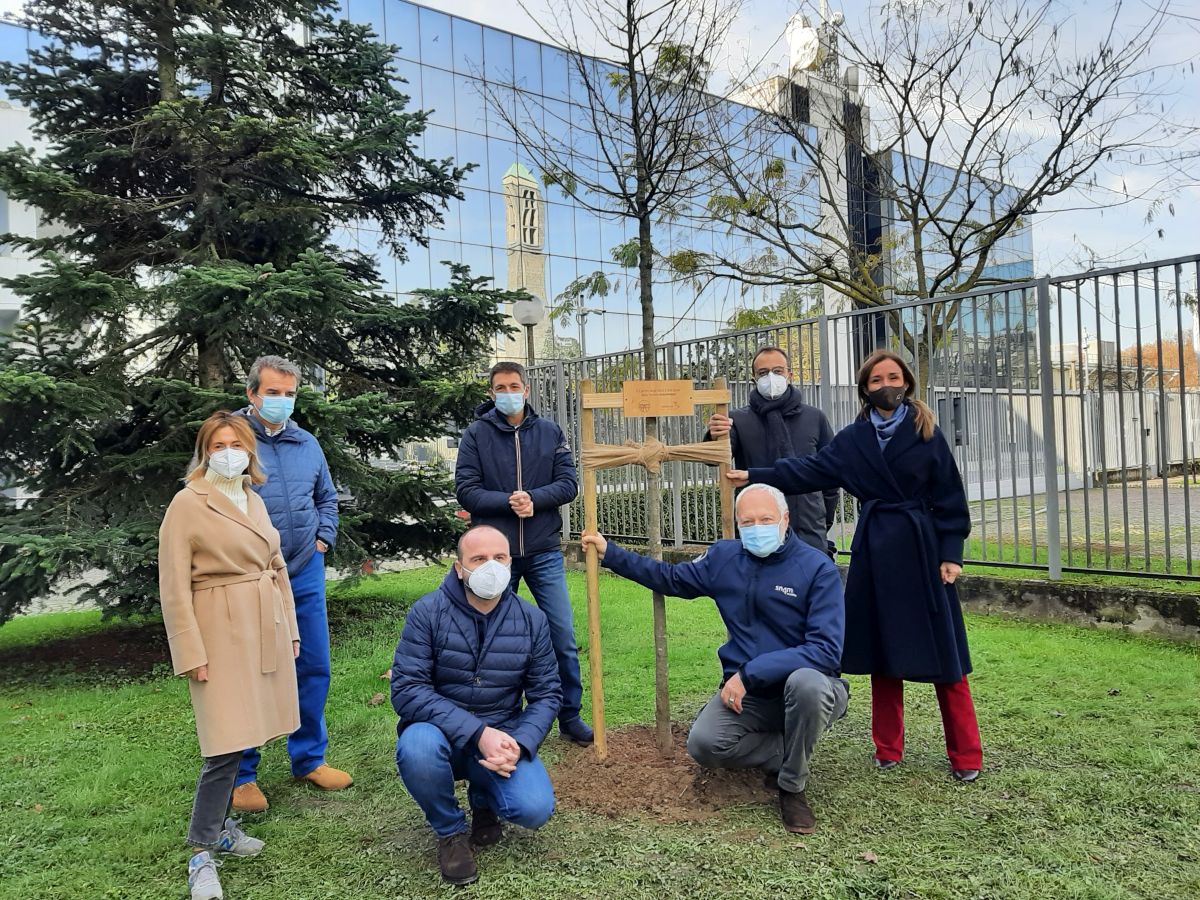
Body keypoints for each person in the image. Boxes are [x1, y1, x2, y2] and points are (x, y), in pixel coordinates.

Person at [728, 349, 982, 782]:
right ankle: (887, 747)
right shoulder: (853, 438)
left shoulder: (927, 431)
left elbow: (950, 497)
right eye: (878, 380)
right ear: (866, 388)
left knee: (947, 657)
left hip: (922, 552)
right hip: (876, 552)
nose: (887, 386)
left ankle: (966, 755)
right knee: (884, 654)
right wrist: (755, 475)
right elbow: (809, 470)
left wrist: (950, 553)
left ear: (906, 382)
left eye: (894, 377)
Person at [581, 484, 849, 834]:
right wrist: (610, 553)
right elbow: (671, 579)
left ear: (785, 520)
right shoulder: (724, 558)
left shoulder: (816, 568)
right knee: (705, 744)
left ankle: (791, 786)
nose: (757, 528)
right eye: (747, 522)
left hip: (810, 687)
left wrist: (749, 674)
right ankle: (788, 747)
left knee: (806, 684)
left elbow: (825, 650)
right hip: (752, 696)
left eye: (766, 519)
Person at [158, 411, 302, 900]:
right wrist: (189, 650)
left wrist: (291, 628)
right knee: (222, 742)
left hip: (262, 623)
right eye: (218, 443)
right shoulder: (187, 503)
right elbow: (174, 585)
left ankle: (219, 827)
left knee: (246, 733)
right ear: (204, 451)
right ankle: (201, 849)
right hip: (217, 629)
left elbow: (276, 565)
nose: (228, 451)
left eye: (236, 443)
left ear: (249, 451)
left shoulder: (253, 499)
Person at [391, 525, 561, 886]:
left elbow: (547, 694)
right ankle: (450, 832)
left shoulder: (532, 619)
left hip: (503, 735)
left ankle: (484, 800)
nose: (491, 567)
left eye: (499, 558)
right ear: (459, 568)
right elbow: (406, 690)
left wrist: (521, 743)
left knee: (534, 808)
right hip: (439, 735)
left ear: (510, 563)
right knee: (417, 747)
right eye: (478, 559)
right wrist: (477, 732)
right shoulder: (427, 613)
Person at [231, 355, 350, 813]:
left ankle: (308, 760)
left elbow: (327, 498)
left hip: (304, 572)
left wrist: (324, 540)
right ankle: (243, 774)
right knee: (253, 673)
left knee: (314, 666)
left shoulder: (307, 443)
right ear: (252, 395)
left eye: (289, 394)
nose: (281, 402)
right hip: (252, 579)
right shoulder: (231, 442)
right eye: (273, 393)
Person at [454, 361, 592, 745]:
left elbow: (568, 484)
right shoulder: (475, 435)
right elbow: (466, 489)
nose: (508, 392)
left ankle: (569, 715)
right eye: (500, 387)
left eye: (514, 385)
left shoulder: (549, 432)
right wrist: (507, 502)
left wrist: (534, 499)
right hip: (493, 557)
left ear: (527, 390)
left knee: (560, 633)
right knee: (492, 637)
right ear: (491, 393)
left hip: (543, 549)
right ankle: (495, 718)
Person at [706, 346, 840, 556]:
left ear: (790, 375)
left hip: (809, 531)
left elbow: (831, 475)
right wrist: (714, 434)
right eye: (763, 373)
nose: (771, 377)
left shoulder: (814, 418)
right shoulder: (738, 420)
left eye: (778, 371)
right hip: (758, 534)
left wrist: (821, 519)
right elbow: (714, 459)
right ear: (753, 379)